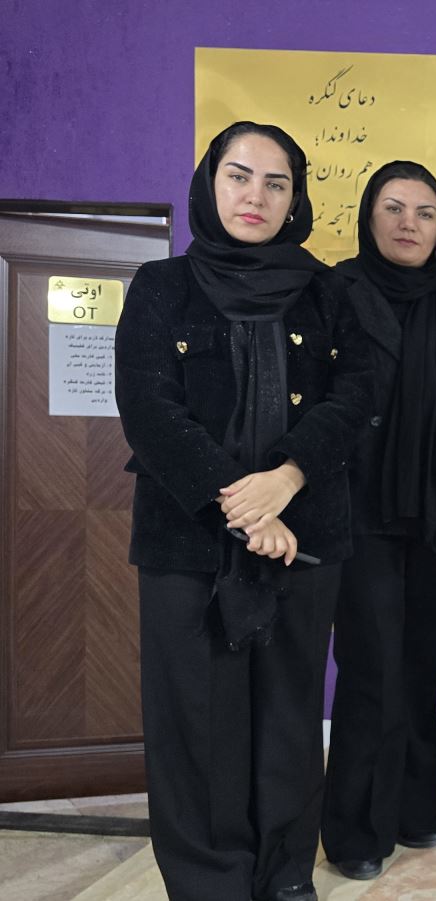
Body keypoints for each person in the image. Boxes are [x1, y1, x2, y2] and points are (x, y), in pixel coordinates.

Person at [115, 121, 373, 901]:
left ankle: (284, 874)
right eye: (238, 175)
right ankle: (210, 881)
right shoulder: (160, 286)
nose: (255, 195)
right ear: (210, 184)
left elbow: (358, 396)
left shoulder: (333, 292)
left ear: (296, 198)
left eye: (275, 182)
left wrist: (287, 479)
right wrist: (247, 507)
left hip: (306, 537)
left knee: (290, 714)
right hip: (187, 541)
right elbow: (149, 409)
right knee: (197, 719)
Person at [319, 161, 436, 880]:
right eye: (394, 208)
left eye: (425, 212)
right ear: (367, 216)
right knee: (371, 668)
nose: (409, 224)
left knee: (421, 666)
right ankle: (356, 831)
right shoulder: (332, 291)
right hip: (359, 510)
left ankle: (417, 809)